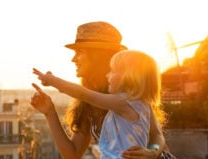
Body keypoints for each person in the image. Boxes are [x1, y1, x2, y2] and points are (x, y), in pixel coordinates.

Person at [29, 21, 166, 159]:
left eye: (79, 52)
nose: (73, 59)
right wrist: (50, 113)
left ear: (98, 56)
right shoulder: (88, 103)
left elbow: (157, 135)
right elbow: (72, 154)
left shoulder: (130, 97)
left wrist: (152, 152)